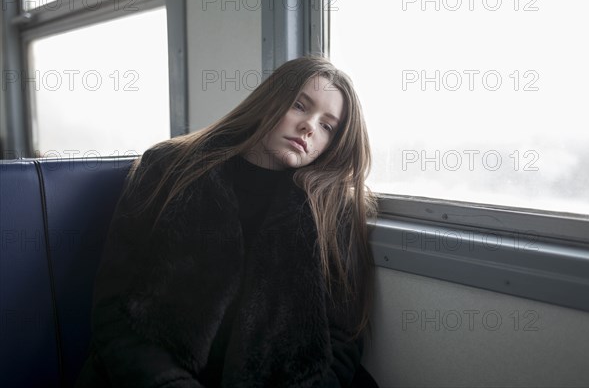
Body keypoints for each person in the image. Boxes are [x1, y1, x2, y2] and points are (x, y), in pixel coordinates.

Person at [76, 56, 379, 387]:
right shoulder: (165, 169)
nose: (310, 125)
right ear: (269, 101)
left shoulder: (332, 209)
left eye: (327, 126)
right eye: (299, 106)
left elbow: (344, 337)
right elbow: (112, 310)